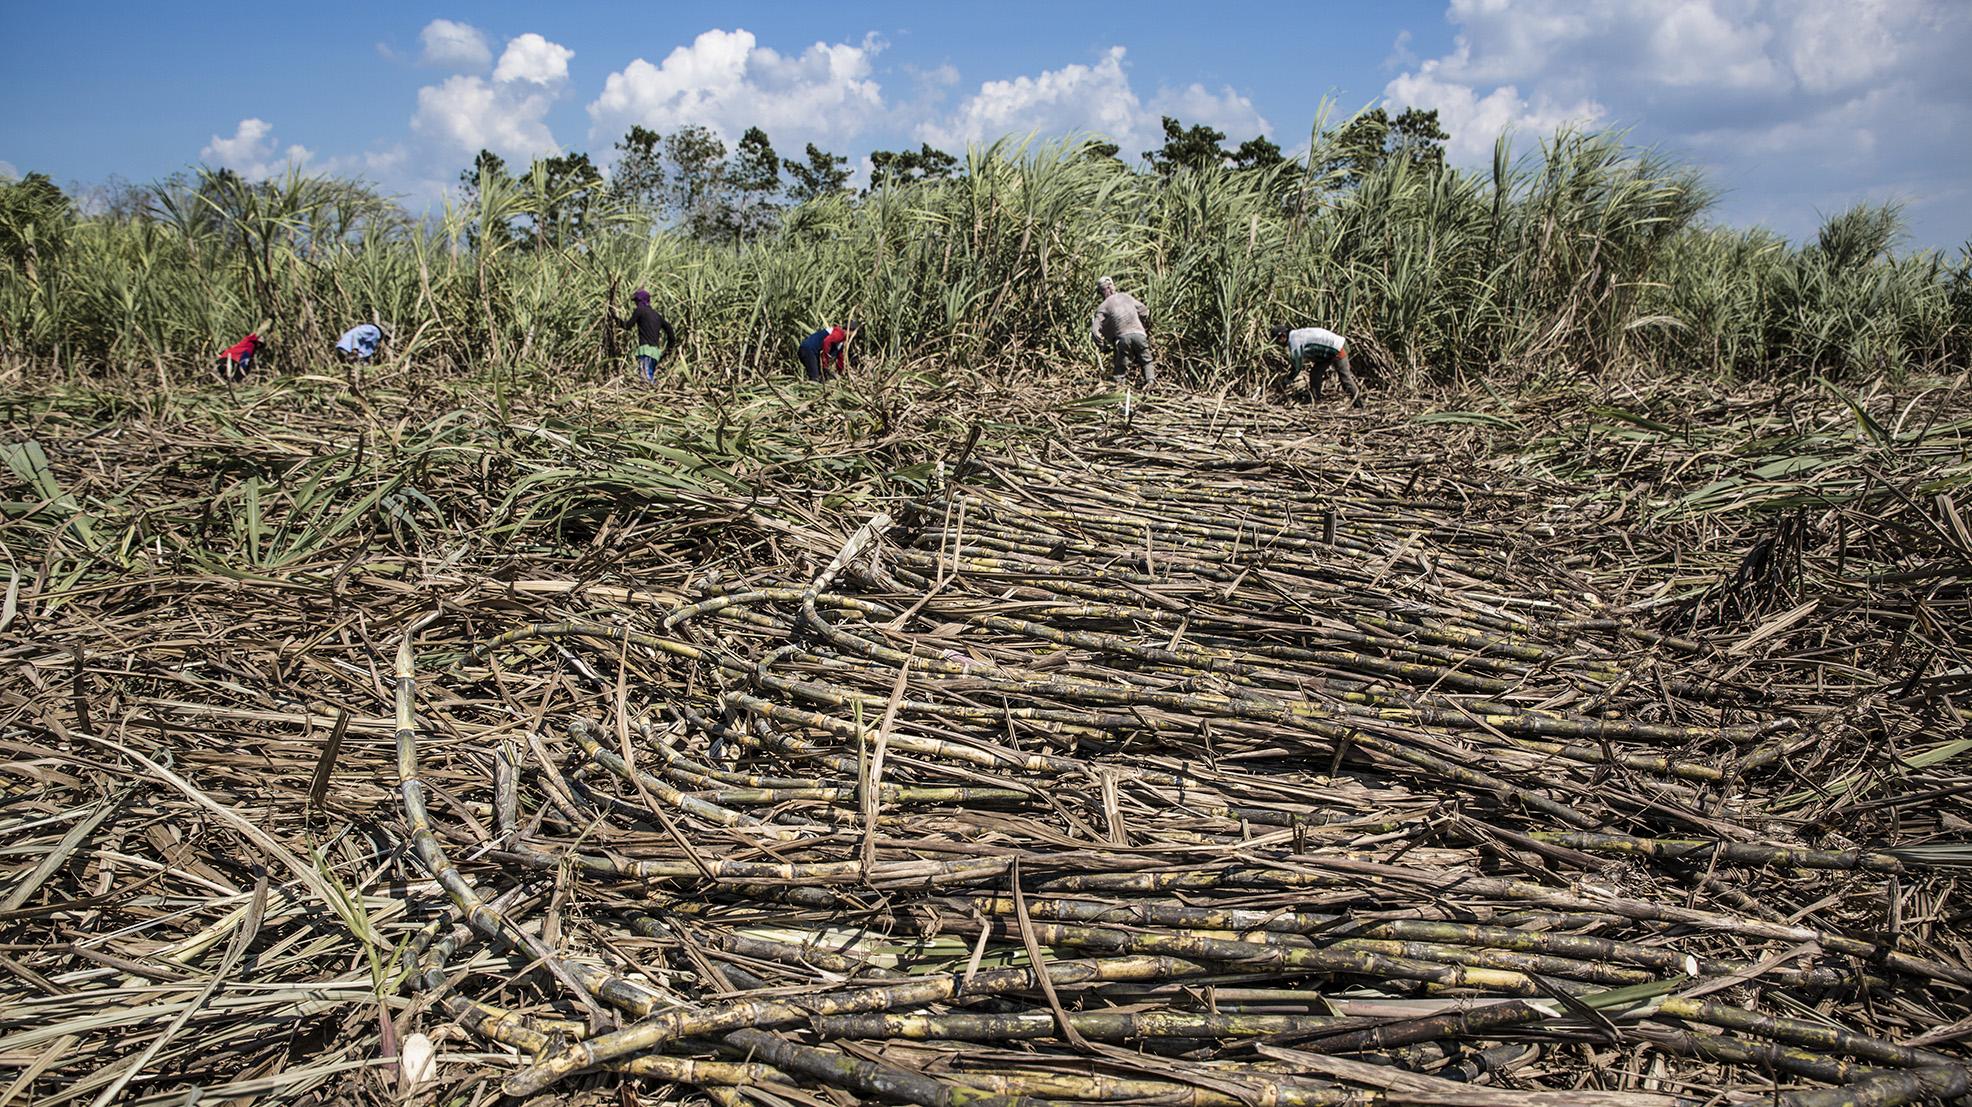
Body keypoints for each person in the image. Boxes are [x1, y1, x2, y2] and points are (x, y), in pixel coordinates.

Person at [1271, 324, 1364, 407]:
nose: (1278, 344)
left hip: (1338, 348)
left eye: (1277, 341)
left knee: (1345, 379)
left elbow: (1297, 368)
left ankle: (1359, 405)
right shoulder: (1296, 335)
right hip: (1327, 353)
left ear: (1282, 336)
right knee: (1315, 374)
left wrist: (1285, 382)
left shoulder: (1294, 341)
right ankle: (1316, 402)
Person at [1090, 277, 1154, 388]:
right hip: (1139, 334)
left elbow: (1095, 331)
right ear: (1113, 286)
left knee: (1120, 368)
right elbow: (1144, 310)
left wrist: (1102, 346)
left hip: (1122, 339)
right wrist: (1142, 323)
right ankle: (1150, 383)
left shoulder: (1103, 307)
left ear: (1101, 292)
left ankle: (1119, 390)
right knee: (1147, 361)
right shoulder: (1126, 297)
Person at [612, 289, 678, 382]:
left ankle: (652, 395)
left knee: (645, 379)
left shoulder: (640, 310)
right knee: (649, 375)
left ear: (640, 301)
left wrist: (614, 317)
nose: (635, 303)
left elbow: (627, 326)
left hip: (646, 351)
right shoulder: (657, 315)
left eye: (636, 301)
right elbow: (670, 330)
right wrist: (670, 347)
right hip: (655, 353)